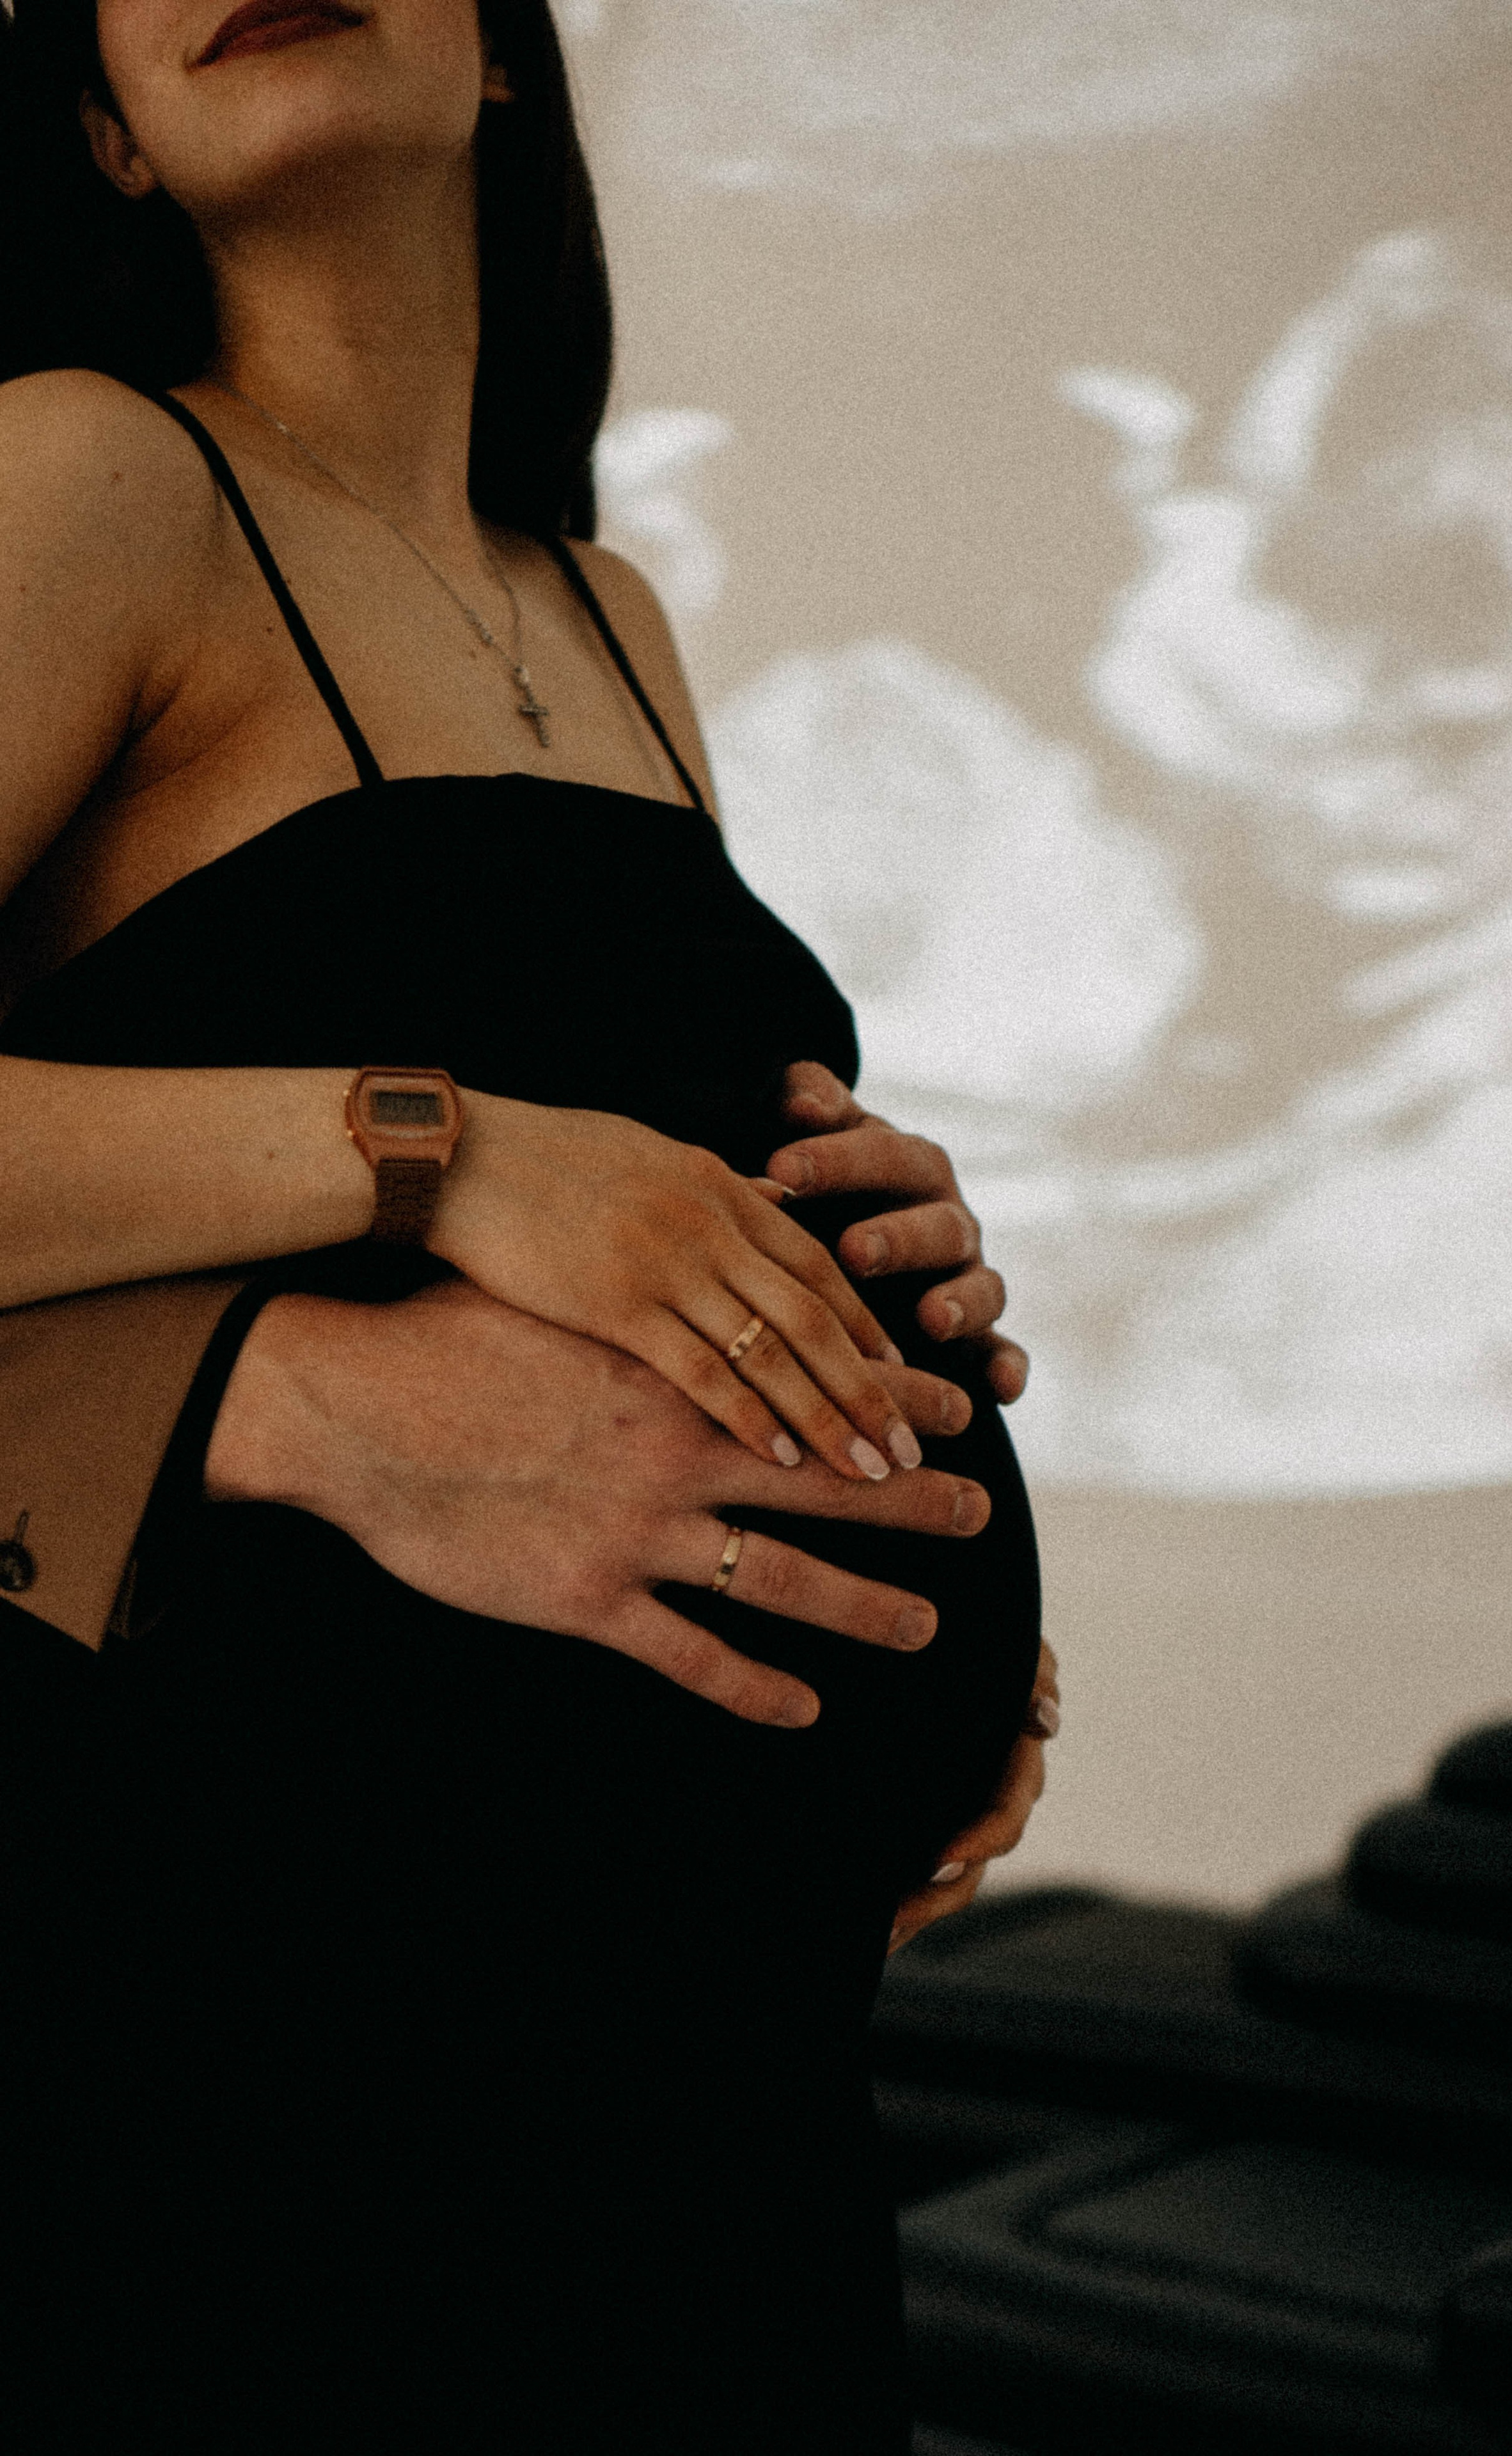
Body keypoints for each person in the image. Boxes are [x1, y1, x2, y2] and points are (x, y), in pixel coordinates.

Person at [0, 3, 1051, 2446]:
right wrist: (440, 1158)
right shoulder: (96, 481)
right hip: (256, 2038)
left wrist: (915, 1442)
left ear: (497, 50)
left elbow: (684, 1181)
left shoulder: (607, 607)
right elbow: (475, 1195)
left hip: (717, 2075)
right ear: (101, 133)